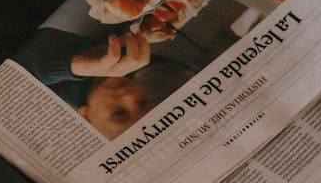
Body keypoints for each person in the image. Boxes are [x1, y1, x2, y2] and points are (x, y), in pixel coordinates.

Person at [14, 26, 193, 139]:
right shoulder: (146, 68)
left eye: (118, 112)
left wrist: (75, 65)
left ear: (86, 115)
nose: (129, 96)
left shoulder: (57, 89)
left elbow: (14, 63)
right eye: (143, 102)